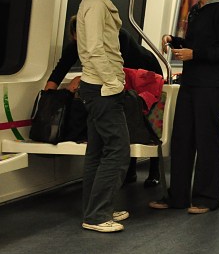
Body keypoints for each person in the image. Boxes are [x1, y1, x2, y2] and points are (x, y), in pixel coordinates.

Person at [149, 0, 219, 214]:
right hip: (191, 82)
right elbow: (196, 44)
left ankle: (207, 198)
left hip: (211, 85)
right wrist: (175, 40)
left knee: (207, 141)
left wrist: (194, 54)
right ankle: (177, 196)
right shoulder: (197, 10)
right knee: (182, 139)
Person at [46, 16, 164, 186]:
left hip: (145, 73)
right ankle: (129, 170)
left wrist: (81, 78)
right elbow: (59, 70)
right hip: (120, 78)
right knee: (125, 119)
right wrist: (48, 100)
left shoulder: (119, 37)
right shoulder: (77, 45)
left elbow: (118, 69)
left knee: (146, 119)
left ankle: (154, 169)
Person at [75, 0, 131, 233]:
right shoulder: (96, 6)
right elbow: (96, 49)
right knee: (118, 150)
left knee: (97, 152)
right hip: (102, 87)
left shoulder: (94, 2)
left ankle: (97, 208)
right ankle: (97, 215)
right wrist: (113, 83)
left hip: (96, 86)